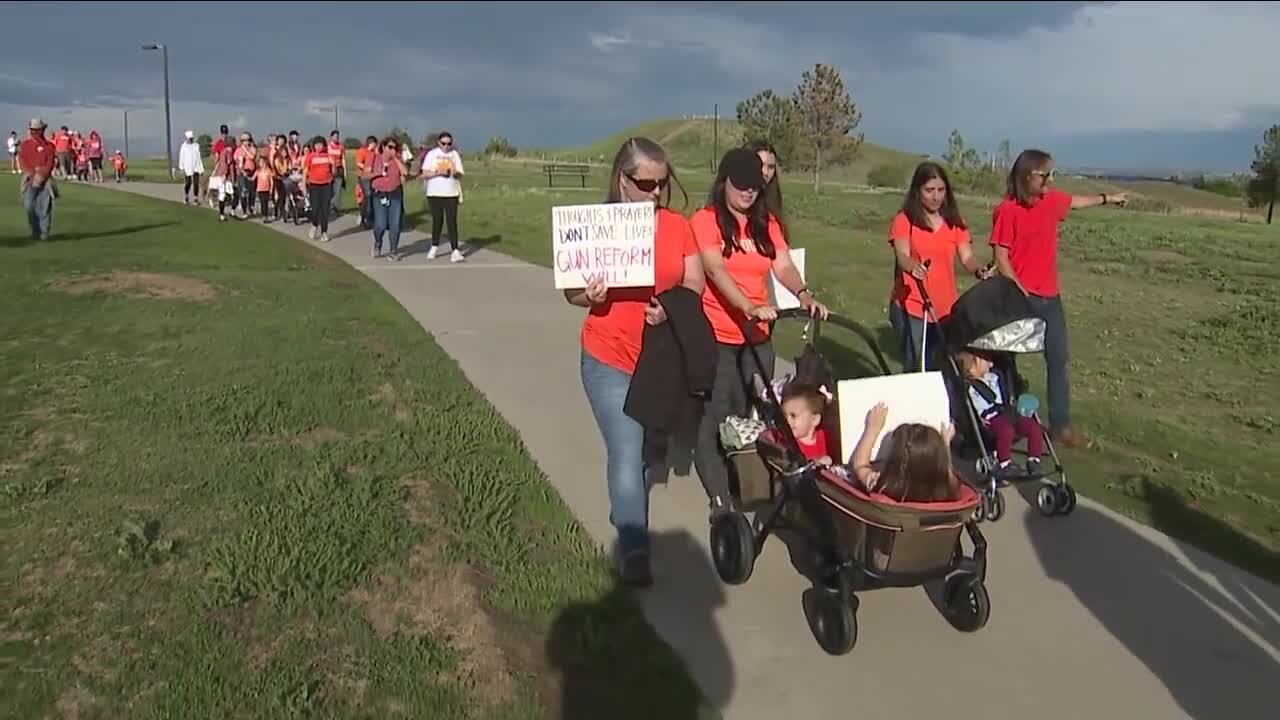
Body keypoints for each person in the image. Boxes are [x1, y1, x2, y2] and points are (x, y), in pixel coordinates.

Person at [565, 137, 703, 587]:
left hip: (659, 360)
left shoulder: (677, 227)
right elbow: (571, 292)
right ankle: (635, 548)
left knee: (645, 453)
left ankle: (625, 508)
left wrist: (671, 306)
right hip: (607, 354)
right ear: (622, 179)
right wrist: (589, 294)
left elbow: (695, 283)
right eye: (646, 183)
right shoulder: (594, 225)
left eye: (663, 184)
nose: (656, 193)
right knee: (626, 449)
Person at [691, 146, 828, 519]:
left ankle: (751, 482)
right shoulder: (706, 221)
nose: (748, 194)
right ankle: (719, 497)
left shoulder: (765, 224)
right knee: (716, 415)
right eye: (741, 187)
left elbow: (782, 265)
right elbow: (716, 270)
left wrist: (803, 293)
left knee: (755, 411)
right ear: (724, 184)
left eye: (754, 187)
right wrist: (746, 306)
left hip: (758, 336)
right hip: (719, 333)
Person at [989, 149, 1127, 449]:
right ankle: (1002, 418)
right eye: (1044, 175)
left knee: (1058, 359)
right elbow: (1001, 256)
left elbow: (1075, 202)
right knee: (1004, 358)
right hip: (1018, 298)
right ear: (1027, 176)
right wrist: (1016, 288)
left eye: (1053, 174)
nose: (1050, 180)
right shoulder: (1007, 210)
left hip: (1050, 297)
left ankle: (1061, 426)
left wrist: (1107, 198)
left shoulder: (1050, 201)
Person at [888, 161, 992, 372]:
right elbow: (902, 255)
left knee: (943, 366)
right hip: (912, 305)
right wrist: (912, 267)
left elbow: (967, 257)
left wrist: (979, 270)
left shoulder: (954, 222)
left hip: (945, 309)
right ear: (918, 191)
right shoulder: (904, 220)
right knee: (916, 367)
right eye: (929, 190)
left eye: (941, 190)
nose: (936, 196)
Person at [956, 349, 1043, 479]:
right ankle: (1005, 464)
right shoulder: (968, 387)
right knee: (1006, 430)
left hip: (1009, 413)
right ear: (974, 364)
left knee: (1034, 427)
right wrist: (977, 418)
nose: (991, 364)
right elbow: (969, 409)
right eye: (986, 361)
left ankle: (1034, 460)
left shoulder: (996, 376)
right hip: (991, 419)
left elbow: (1010, 389)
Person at [849, 402, 960, 503]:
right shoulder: (948, 488)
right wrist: (945, 444)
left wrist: (872, 428)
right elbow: (946, 470)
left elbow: (860, 466)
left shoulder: (884, 486)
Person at [420, 131, 466, 262]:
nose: (446, 146)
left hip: (451, 193)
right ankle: (434, 246)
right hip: (435, 193)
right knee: (437, 220)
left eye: (449, 143)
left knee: (452, 221)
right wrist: (438, 173)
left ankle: (455, 250)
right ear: (438, 143)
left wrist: (454, 172)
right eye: (444, 143)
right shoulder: (432, 154)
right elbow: (425, 173)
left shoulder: (454, 154)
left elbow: (460, 174)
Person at [17, 117, 57, 241]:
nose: (35, 132)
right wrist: (34, 174)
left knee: (45, 208)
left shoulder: (49, 146)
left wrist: (42, 175)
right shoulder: (25, 145)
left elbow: (50, 163)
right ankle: (35, 230)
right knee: (29, 206)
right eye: (32, 130)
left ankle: (44, 233)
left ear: (42, 130)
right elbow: (23, 161)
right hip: (30, 179)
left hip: (45, 180)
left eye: (37, 130)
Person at [369, 136, 408, 261]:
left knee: (395, 224)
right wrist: (378, 173)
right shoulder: (375, 158)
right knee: (380, 224)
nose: (392, 150)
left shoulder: (397, 159)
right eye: (390, 147)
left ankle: (393, 250)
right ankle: (378, 242)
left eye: (395, 148)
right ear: (383, 147)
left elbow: (405, 172)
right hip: (379, 194)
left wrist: (396, 158)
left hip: (394, 194)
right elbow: (365, 175)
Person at [779, 382, 832, 465]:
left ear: (814, 420)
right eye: (784, 416)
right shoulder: (788, 445)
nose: (787, 421)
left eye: (793, 416)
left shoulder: (827, 439)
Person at [302, 136, 335, 242]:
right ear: (314, 146)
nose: (319, 146)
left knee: (325, 209)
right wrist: (304, 187)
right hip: (314, 185)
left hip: (326, 185)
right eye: (317, 144)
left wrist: (333, 164)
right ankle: (314, 224)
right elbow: (305, 172)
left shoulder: (328, 156)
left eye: (321, 144)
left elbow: (333, 172)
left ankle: (324, 232)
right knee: (315, 208)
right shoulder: (310, 156)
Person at [355, 135, 378, 229]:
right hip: (363, 176)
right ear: (371, 143)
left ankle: (369, 216)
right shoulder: (362, 151)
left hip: (372, 176)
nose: (375, 145)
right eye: (374, 144)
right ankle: (364, 215)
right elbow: (358, 163)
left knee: (372, 196)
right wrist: (366, 168)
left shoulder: (374, 153)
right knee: (368, 194)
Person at [178, 130, 205, 205]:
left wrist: (201, 169)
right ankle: (186, 195)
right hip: (187, 167)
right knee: (188, 183)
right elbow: (181, 157)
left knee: (196, 183)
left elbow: (198, 157)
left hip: (196, 166)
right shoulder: (184, 146)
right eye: (189, 139)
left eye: (191, 139)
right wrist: (181, 168)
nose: (190, 140)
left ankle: (195, 198)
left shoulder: (196, 145)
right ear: (186, 138)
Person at [327, 130, 346, 217]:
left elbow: (343, 159)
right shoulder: (328, 147)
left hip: (339, 169)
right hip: (329, 169)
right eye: (334, 136)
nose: (336, 138)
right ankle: (329, 206)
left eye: (337, 136)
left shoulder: (341, 147)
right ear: (331, 137)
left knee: (338, 190)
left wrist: (345, 171)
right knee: (330, 190)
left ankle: (335, 207)